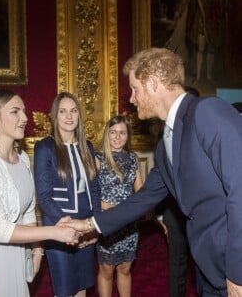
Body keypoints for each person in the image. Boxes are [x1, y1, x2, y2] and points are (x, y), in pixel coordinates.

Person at [63, 48, 242, 297]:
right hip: (207, 267)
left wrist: (237, 271)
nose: (132, 99)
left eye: (135, 89)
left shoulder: (207, 112)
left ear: (153, 82)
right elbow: (142, 199)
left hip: (234, 267)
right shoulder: (163, 146)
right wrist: (88, 224)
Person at [0, 89, 79, 297]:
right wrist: (53, 232)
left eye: (24, 112)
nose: (25, 118)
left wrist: (37, 250)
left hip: (20, 255)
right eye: (15, 112)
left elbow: (28, 212)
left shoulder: (23, 158)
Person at [34, 92, 101, 297]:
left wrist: (95, 224)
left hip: (86, 224)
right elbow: (44, 196)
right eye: (63, 111)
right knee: (64, 290)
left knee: (82, 285)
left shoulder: (86, 146)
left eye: (73, 111)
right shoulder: (45, 147)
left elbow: (95, 188)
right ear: (55, 115)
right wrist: (67, 225)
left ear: (79, 115)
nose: (69, 116)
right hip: (59, 224)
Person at [156, 85, 200, 297]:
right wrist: (160, 213)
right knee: (177, 265)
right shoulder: (164, 140)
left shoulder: (205, 137)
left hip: (203, 218)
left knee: (202, 266)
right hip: (175, 215)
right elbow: (159, 184)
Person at [95, 115, 143, 297]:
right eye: (113, 132)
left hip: (129, 223)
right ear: (107, 134)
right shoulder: (97, 158)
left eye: (122, 133)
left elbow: (139, 189)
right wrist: (102, 205)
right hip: (107, 221)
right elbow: (88, 192)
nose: (117, 137)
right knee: (107, 270)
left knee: (125, 268)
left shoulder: (132, 158)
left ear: (127, 136)